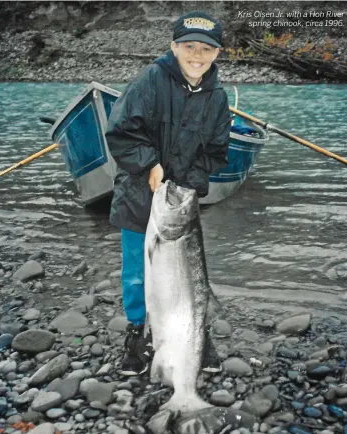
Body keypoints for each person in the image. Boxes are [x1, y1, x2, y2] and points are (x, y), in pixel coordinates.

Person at [106, 10, 231, 376]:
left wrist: (187, 183)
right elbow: (121, 132)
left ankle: (195, 335)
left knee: (192, 275)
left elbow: (217, 151)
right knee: (136, 273)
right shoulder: (149, 81)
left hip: (180, 201)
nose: (197, 55)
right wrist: (149, 165)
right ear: (174, 46)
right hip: (139, 195)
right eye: (189, 46)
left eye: (206, 49)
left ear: (217, 53)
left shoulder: (218, 97)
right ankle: (138, 334)